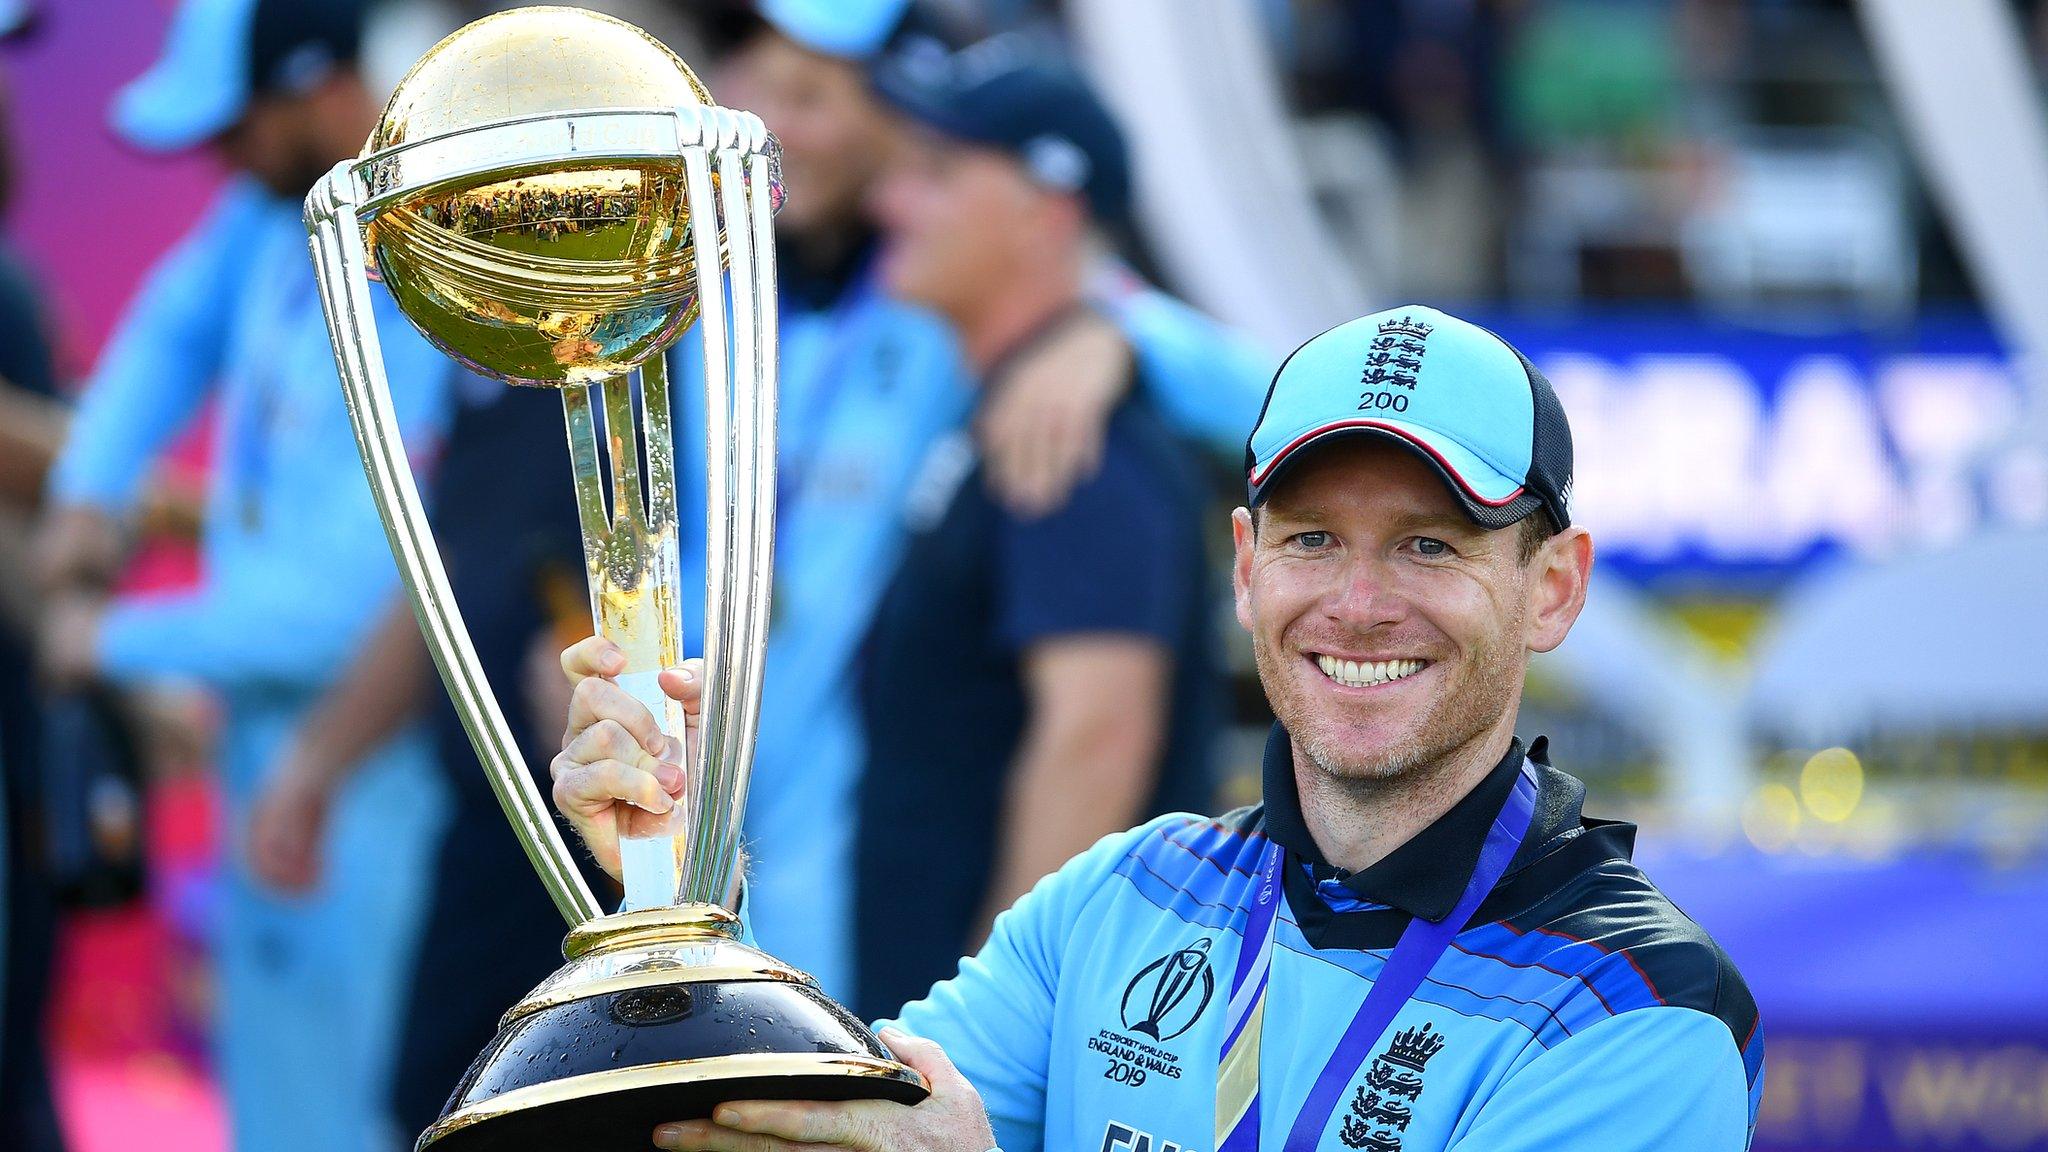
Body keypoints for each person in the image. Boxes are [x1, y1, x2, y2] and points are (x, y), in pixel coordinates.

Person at [551, 305, 1766, 1151]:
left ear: (1550, 586)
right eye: (1309, 538)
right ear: (1243, 570)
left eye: (1428, 543)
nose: (1356, 603)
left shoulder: (1637, 1012)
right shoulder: (1123, 895)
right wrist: (685, 886)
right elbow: (814, 1126)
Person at [660, 1, 1271, 1000]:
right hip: (753, 875)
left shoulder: (1055, 416)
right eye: (753, 80)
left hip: (894, 959)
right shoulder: (733, 292)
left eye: (810, 94)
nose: (765, 123)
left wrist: (1104, 336)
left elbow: (1096, 735)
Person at [36, 1, 452, 1149]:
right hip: (272, 748)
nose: (214, 158)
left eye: (236, 126)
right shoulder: (271, 213)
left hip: (378, 763)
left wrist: (104, 639)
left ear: (323, 93)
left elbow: (346, 605)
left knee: (360, 1106)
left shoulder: (431, 268)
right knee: (276, 1098)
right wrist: (88, 491)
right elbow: (167, 334)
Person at [851, 44, 1220, 1022]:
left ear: (1043, 213)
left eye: (933, 175)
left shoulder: (1070, 445)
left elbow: (1097, 736)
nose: (891, 201)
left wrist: (984, 1039)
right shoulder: (1011, 410)